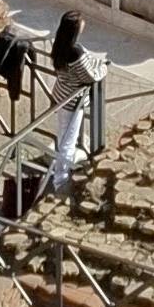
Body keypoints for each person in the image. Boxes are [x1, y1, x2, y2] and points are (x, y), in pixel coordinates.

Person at [43, 10, 96, 195]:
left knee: (64, 134)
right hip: (73, 100)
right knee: (67, 141)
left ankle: (66, 165)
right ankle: (60, 180)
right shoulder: (75, 51)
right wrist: (103, 68)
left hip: (61, 95)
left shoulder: (59, 46)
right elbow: (90, 76)